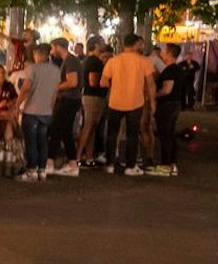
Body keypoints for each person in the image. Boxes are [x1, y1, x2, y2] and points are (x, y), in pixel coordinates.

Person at [100, 34, 155, 175]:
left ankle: (110, 164)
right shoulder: (144, 61)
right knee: (132, 135)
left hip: (115, 102)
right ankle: (130, 166)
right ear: (136, 44)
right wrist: (152, 102)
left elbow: (103, 82)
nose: (142, 46)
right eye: (140, 44)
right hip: (135, 102)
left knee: (112, 133)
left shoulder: (113, 61)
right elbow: (150, 84)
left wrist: (114, 87)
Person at [16, 43, 60, 181]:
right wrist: (51, 107)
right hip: (46, 111)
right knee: (43, 141)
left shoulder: (32, 68)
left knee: (31, 141)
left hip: (32, 110)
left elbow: (26, 87)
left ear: (38, 54)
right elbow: (56, 91)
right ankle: (42, 169)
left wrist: (17, 104)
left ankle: (31, 170)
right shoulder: (56, 70)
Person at [47, 38, 84, 176]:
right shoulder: (69, 61)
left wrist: (56, 87)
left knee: (56, 129)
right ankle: (72, 163)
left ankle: (49, 162)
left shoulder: (70, 61)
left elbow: (72, 82)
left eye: (52, 48)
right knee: (66, 131)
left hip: (69, 99)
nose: (51, 52)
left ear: (58, 47)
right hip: (70, 99)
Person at [154, 43, 191, 176]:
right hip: (175, 104)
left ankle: (165, 164)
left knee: (165, 135)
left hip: (167, 105)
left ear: (169, 53)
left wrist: (153, 95)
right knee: (170, 134)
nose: (162, 53)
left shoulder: (170, 70)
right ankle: (172, 164)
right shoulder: (178, 69)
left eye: (164, 51)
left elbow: (167, 90)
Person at [78, 38, 110, 167]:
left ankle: (89, 157)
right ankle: (78, 156)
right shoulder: (94, 61)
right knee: (89, 126)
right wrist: (106, 82)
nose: (104, 44)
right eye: (101, 42)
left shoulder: (89, 60)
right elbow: (93, 82)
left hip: (92, 96)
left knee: (91, 128)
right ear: (96, 45)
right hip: (93, 97)